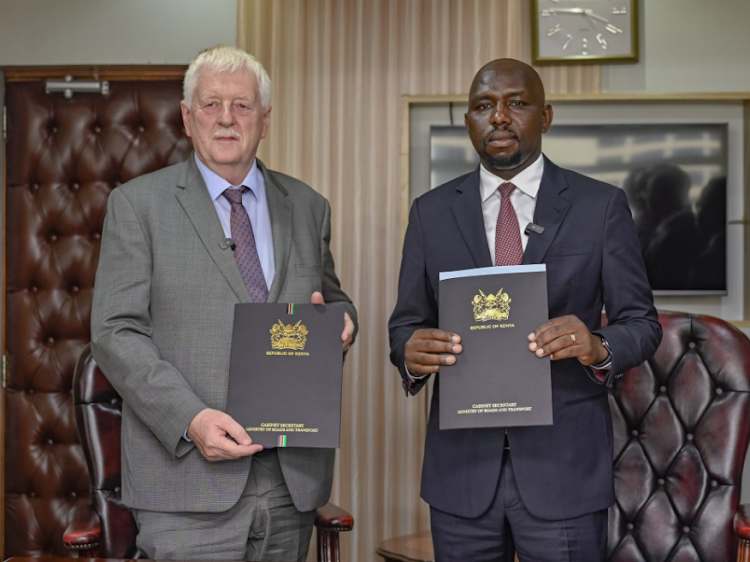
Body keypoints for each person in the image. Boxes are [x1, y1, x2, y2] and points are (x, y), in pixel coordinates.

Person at [91, 45, 357, 562]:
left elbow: (334, 298)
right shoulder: (137, 206)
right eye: (211, 105)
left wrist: (343, 324)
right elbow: (115, 332)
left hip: (289, 483)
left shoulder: (307, 206)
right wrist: (190, 418)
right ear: (188, 119)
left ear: (265, 120)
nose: (227, 119)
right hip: (186, 486)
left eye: (242, 105)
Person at [389, 59, 661, 562]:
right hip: (461, 476)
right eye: (483, 106)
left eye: (516, 103)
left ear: (546, 116)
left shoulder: (599, 206)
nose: (498, 117)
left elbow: (642, 325)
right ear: (468, 121)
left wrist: (596, 344)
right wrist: (409, 351)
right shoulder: (430, 213)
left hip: (564, 472)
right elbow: (406, 322)